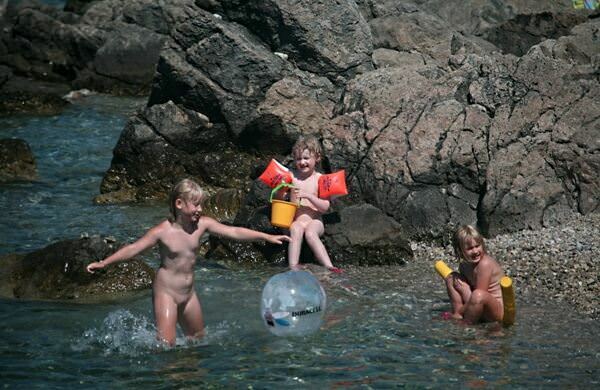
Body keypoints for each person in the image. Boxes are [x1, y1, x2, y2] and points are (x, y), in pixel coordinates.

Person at [87, 178, 290, 346]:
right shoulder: (162, 232)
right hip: (166, 293)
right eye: (196, 204)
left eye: (201, 203)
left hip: (189, 294)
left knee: (199, 341)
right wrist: (105, 263)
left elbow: (234, 231)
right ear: (179, 204)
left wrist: (266, 237)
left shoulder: (202, 225)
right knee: (166, 346)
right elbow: (133, 249)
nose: (200, 209)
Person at [286, 136, 342, 273]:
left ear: (316, 158)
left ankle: (329, 266)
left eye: (306, 158)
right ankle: (293, 265)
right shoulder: (291, 176)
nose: (302, 162)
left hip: (315, 220)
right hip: (297, 219)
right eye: (298, 159)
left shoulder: (320, 179)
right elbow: (280, 198)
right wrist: (286, 193)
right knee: (295, 228)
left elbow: (324, 207)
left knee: (310, 233)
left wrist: (309, 196)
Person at [443, 225, 504, 324]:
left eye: (477, 246)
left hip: (495, 310)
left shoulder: (484, 264)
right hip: (475, 304)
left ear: (482, 244)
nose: (475, 251)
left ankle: (466, 324)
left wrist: (462, 309)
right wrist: (464, 288)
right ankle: (457, 313)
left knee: (477, 295)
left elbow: (480, 296)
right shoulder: (464, 265)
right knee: (451, 278)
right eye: (470, 248)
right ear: (460, 251)